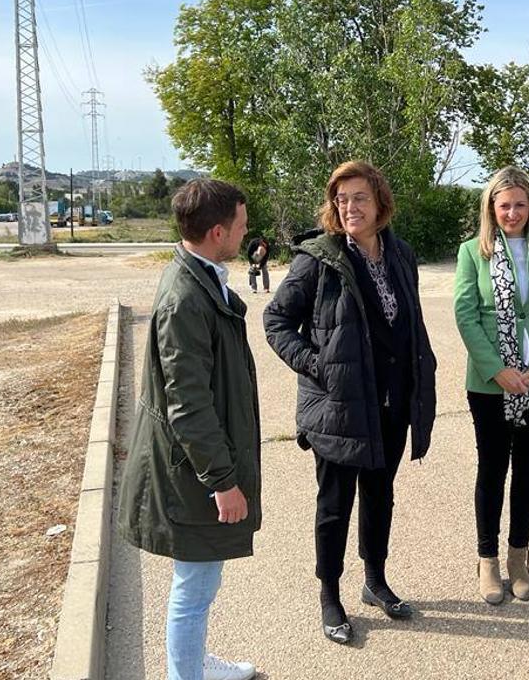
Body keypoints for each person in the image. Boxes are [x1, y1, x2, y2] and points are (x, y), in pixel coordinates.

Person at [263, 161, 437, 646]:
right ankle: (329, 595)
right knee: (335, 505)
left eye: (359, 197)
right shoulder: (318, 258)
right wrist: (317, 366)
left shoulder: (400, 253)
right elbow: (275, 320)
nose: (349, 207)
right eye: (341, 199)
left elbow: (408, 322)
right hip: (339, 408)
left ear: (380, 202)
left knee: (380, 496)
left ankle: (374, 580)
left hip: (392, 404)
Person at [116, 178, 261, 680]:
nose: (246, 234)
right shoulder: (185, 299)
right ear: (218, 231)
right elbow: (188, 405)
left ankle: (194, 663)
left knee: (199, 582)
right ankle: (186, 674)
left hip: (194, 467)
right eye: (241, 226)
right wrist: (223, 481)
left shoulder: (200, 276)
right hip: (194, 473)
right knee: (194, 587)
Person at [453, 166, 529, 605]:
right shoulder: (473, 252)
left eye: (520, 204)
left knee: (528, 471)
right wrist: (497, 369)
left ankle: (518, 556)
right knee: (492, 470)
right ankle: (487, 559)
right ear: (491, 207)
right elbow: (466, 315)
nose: (512, 212)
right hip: (491, 384)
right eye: (503, 205)